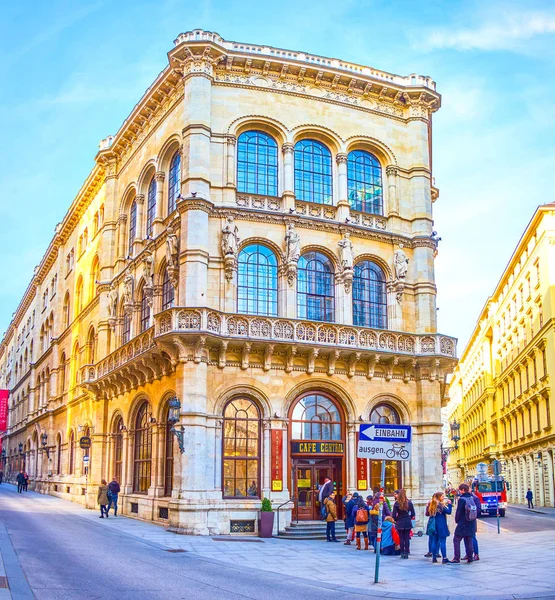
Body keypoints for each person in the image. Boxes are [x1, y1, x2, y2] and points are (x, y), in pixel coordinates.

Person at [451, 483, 477, 564]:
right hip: (472, 522)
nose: (459, 491)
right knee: (469, 539)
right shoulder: (472, 497)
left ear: (463, 490)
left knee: (456, 539)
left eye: (460, 490)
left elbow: (458, 512)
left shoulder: (462, 499)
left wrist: (457, 520)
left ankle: (456, 558)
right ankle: (470, 557)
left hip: (463, 523)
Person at [426, 491, 452, 564]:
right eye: (442, 496)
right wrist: (449, 504)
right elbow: (448, 512)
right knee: (442, 542)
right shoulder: (440, 505)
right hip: (441, 525)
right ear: (439, 497)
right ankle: (444, 558)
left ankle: (434, 558)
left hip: (434, 525)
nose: (443, 498)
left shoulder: (432, 504)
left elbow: (427, 513)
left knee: (434, 541)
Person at [392, 489, 415, 559]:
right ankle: (407, 552)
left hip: (400, 521)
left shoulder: (396, 503)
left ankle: (402, 553)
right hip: (407, 521)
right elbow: (413, 513)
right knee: (407, 538)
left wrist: (397, 519)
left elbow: (393, 515)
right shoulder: (409, 503)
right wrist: (409, 517)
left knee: (401, 538)